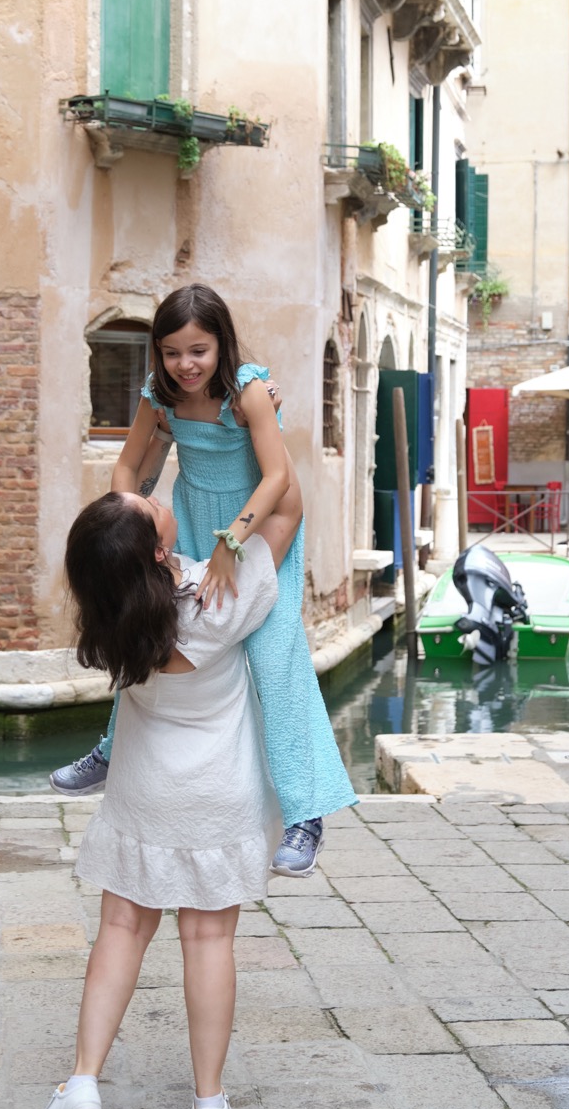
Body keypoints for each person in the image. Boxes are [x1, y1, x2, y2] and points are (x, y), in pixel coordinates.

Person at [49, 285, 356, 875]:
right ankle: (111, 752)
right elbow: (128, 464)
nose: (185, 365)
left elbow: (276, 478)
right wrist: (127, 517)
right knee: (149, 627)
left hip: (258, 523)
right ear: (157, 353)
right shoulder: (158, 396)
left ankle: (305, 812)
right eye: (171, 352)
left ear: (221, 345)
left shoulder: (248, 394)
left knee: (274, 661)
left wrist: (232, 544)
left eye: (198, 350)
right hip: (190, 519)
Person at [30, 488, 285, 1109]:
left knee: (120, 928)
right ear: (160, 549)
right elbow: (288, 504)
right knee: (207, 942)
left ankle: (83, 1081)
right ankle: (208, 1105)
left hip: (143, 794)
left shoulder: (110, 614)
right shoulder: (215, 598)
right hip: (215, 795)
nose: (150, 492)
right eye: (147, 503)